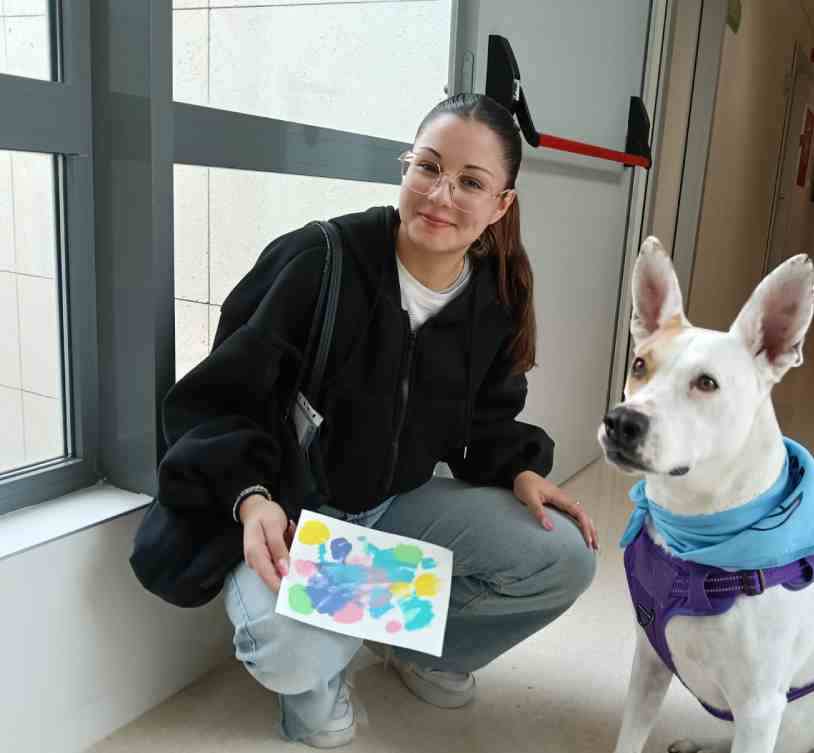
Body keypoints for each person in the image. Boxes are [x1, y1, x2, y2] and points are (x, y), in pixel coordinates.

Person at [154, 93, 599, 748]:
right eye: (428, 167)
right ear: (406, 167)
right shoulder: (318, 261)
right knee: (290, 647)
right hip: (293, 522)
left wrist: (519, 469)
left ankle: (406, 644)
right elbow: (217, 398)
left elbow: (488, 417)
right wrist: (250, 499)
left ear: (501, 204)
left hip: (390, 511)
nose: (441, 195)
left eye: (471, 182)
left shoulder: (491, 300)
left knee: (562, 555)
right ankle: (330, 659)